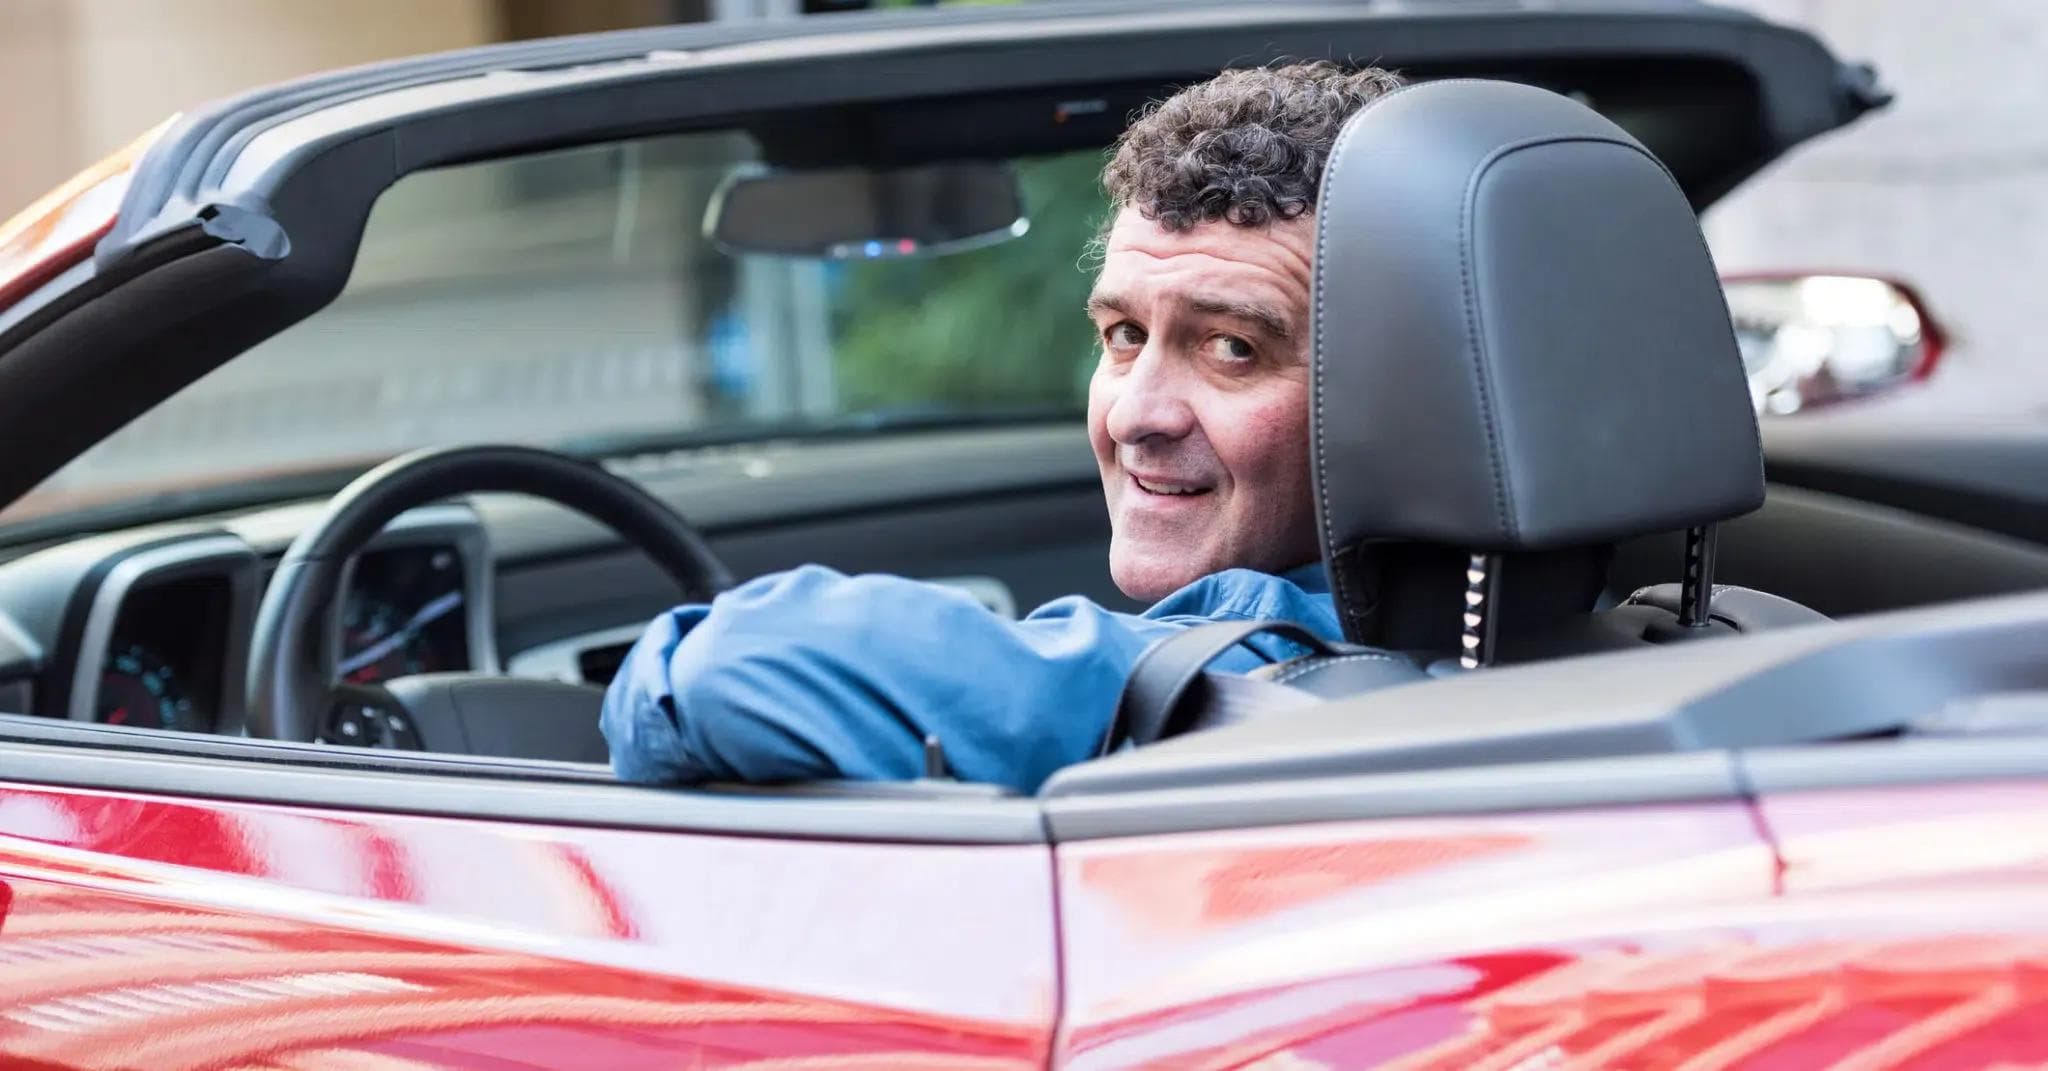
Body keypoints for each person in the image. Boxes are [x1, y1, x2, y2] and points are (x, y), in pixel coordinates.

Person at [601, 62, 1406, 793]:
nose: (1134, 414)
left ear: (1416, 394)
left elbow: (725, 668)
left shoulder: (1250, 671)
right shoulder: (1494, 637)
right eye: (1123, 335)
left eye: (1233, 348)